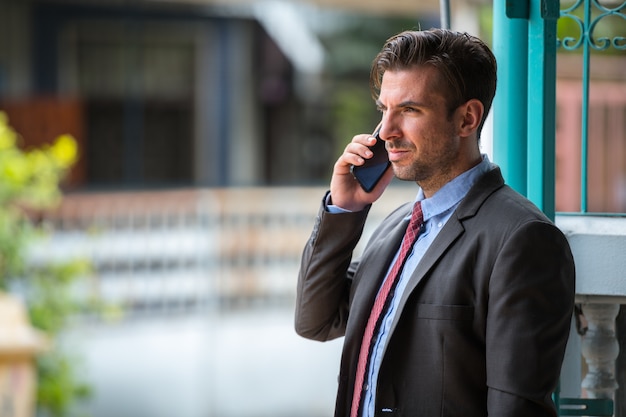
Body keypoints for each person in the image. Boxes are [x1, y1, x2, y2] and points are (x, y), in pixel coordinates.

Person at [295, 28, 575, 417]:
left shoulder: (523, 239)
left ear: (467, 119)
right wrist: (344, 210)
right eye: (383, 111)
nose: (387, 133)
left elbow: (515, 408)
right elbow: (315, 321)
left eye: (409, 110)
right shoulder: (396, 228)